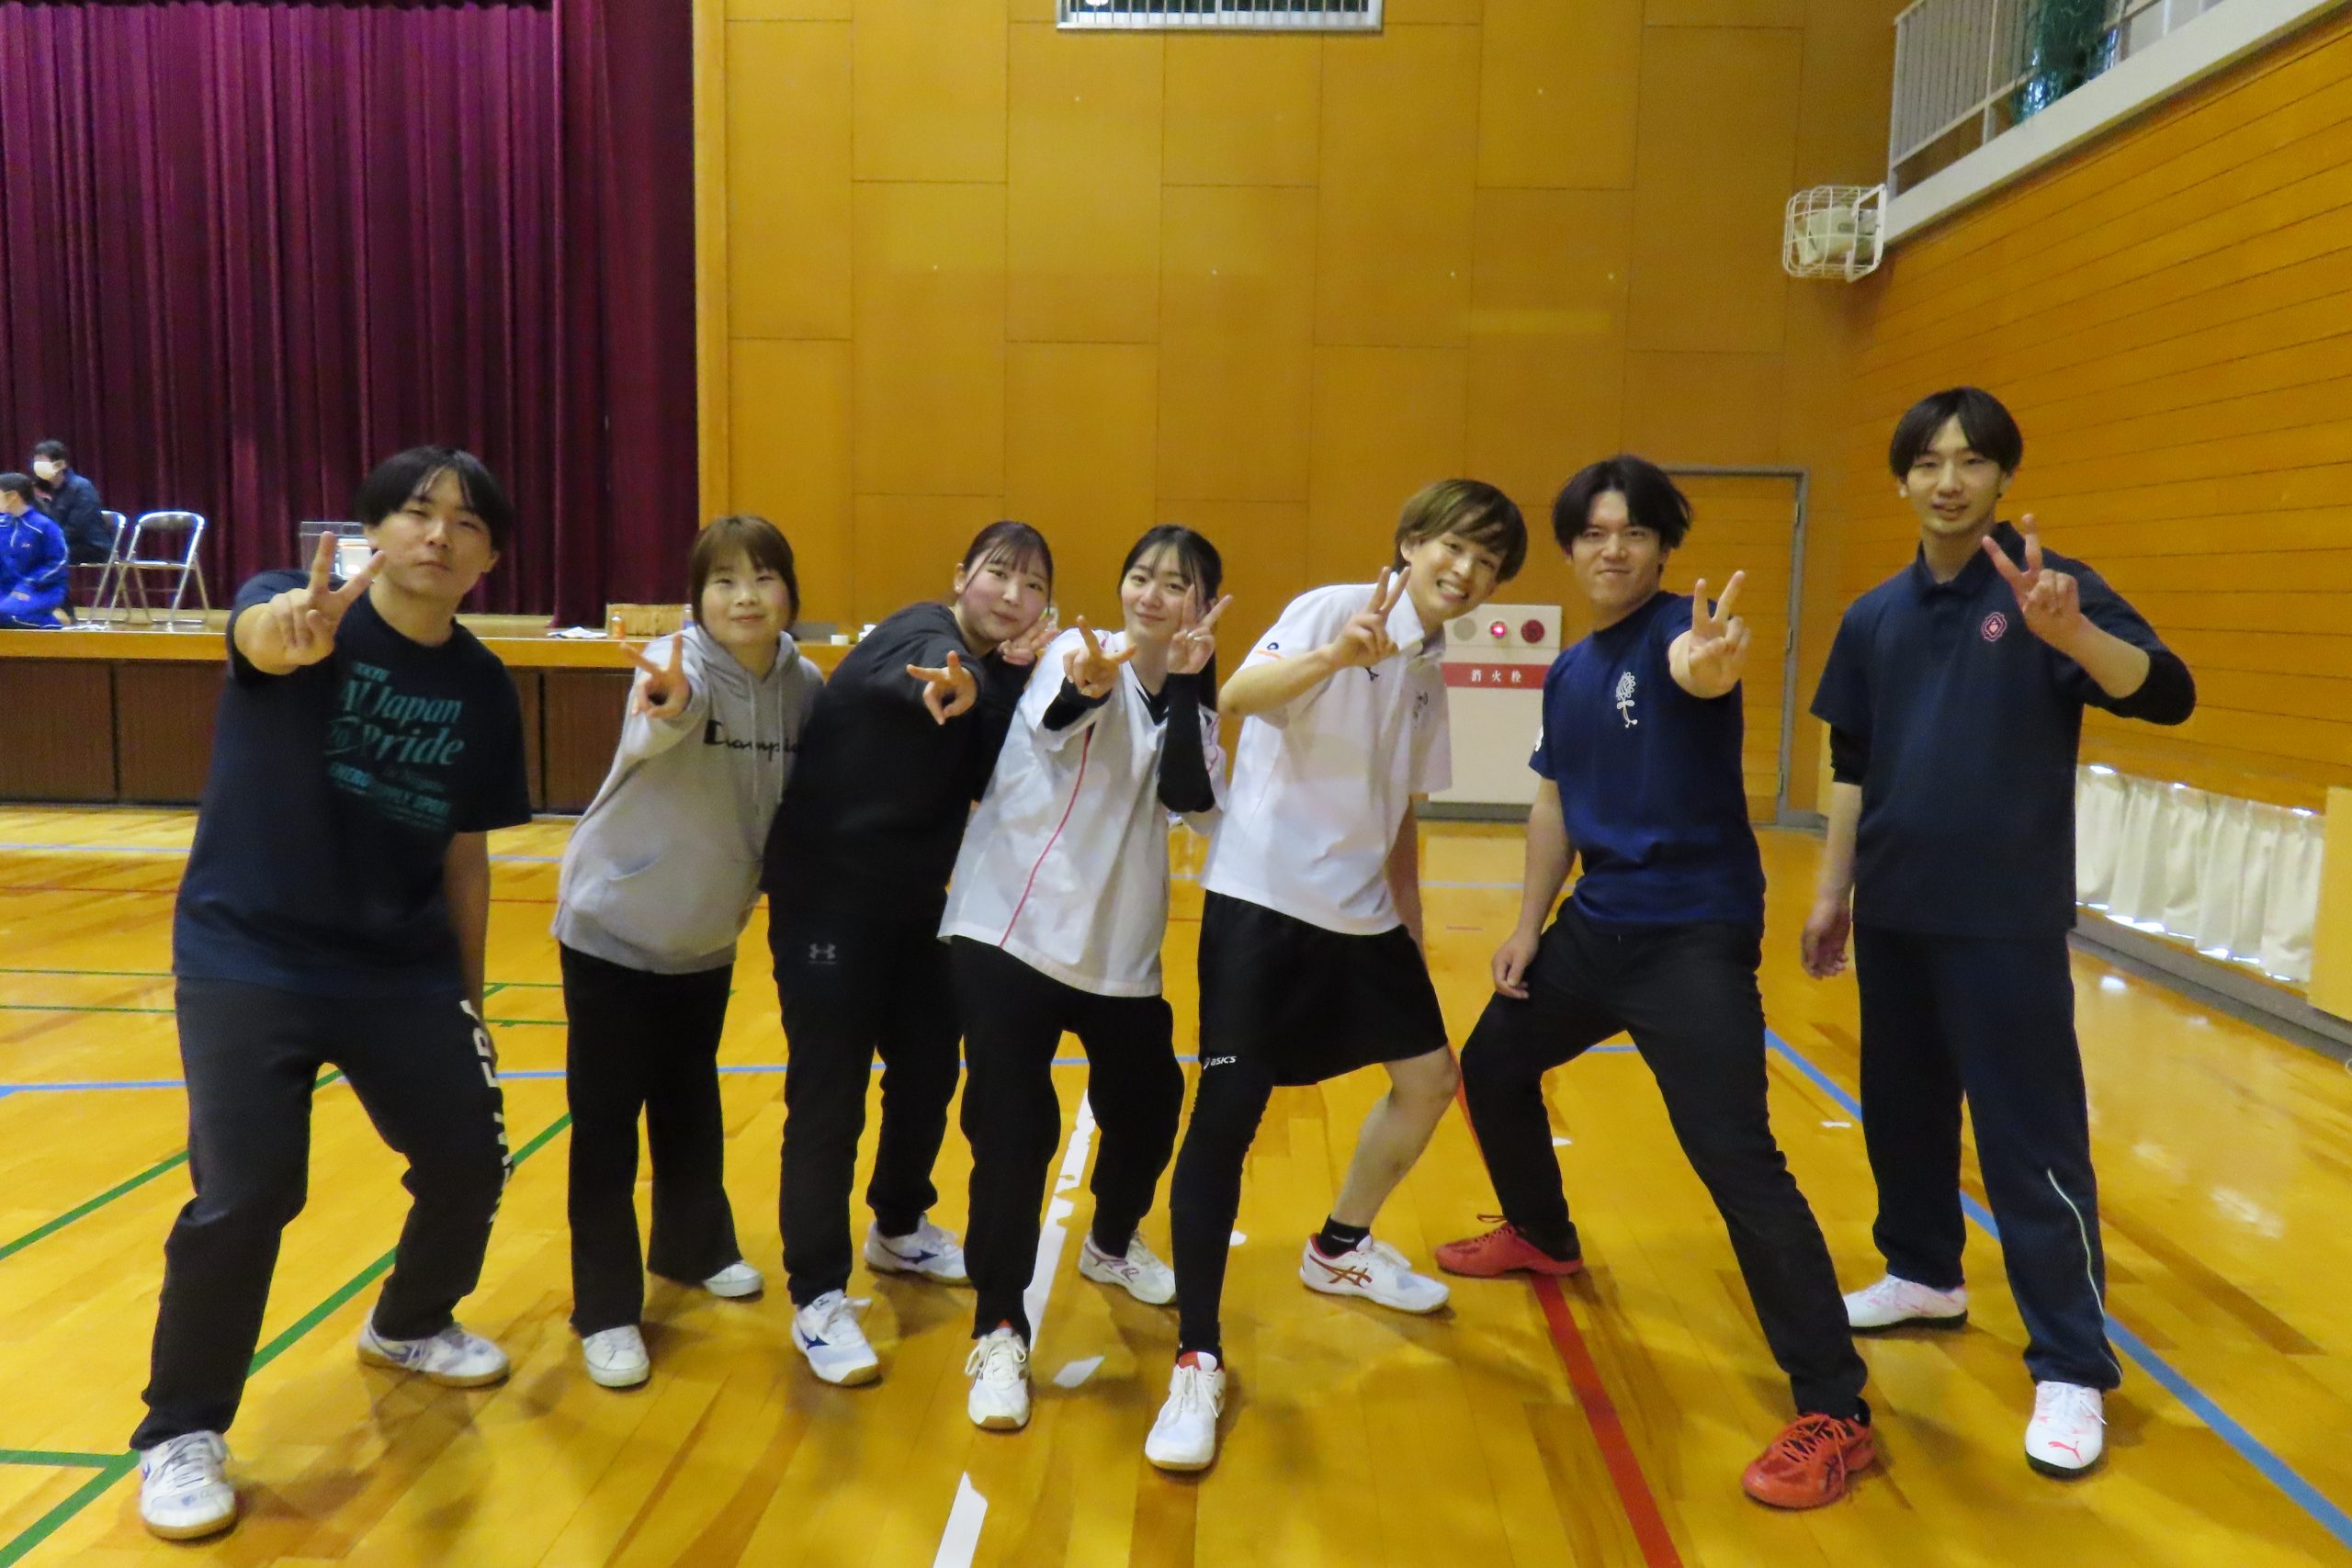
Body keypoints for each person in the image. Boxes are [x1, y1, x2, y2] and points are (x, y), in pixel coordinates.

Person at [1434, 457, 1877, 1509]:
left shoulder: (1687, 631)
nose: (1612, 549)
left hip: (1691, 940)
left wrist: (1710, 664)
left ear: (1663, 546)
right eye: (1592, 532)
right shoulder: (1568, 671)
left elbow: (1698, 671)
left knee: (1736, 1161)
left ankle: (1836, 1411)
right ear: (1570, 546)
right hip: (1596, 928)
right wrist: (1527, 928)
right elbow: (1552, 804)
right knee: (1491, 1062)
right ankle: (1542, 1233)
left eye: (1632, 531)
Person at [131, 448, 532, 1541]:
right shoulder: (291, 606)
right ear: (374, 530)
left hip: (399, 964)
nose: (438, 535)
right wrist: (286, 633)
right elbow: (261, 639)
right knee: (248, 1192)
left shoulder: (484, 686)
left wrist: (468, 996)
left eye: (466, 524)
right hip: (248, 952)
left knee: (470, 1156)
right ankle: (180, 1430)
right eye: (416, 513)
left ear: (489, 561)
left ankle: (410, 1321)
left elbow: (465, 854)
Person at [1804, 386, 2196, 1479]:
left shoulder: (2047, 589)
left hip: (2003, 920)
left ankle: (2070, 1365)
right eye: (1928, 461)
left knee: (2030, 1142)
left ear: (2003, 477)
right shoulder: (1872, 616)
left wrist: (2073, 634)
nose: (1948, 480)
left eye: (1970, 461)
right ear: (1901, 478)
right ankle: (1924, 1273)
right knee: (1903, 1115)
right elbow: (1851, 763)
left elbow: (2166, 693)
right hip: (1894, 909)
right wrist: (1832, 892)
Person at [1145, 479, 1528, 1473]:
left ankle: (1340, 1246)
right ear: (1409, 543)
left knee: (1430, 1080)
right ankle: (1196, 1356)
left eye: (1487, 563)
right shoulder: (1332, 609)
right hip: (1262, 903)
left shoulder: (1429, 672)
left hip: (1362, 920)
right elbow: (1237, 697)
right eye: (1453, 547)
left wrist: (1411, 928)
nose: (1467, 571)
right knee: (1226, 1120)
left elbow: (1400, 812)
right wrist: (1335, 656)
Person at [943, 525, 1231, 1432]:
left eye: (1176, 584)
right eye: (1141, 575)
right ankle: (998, 1328)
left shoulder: (1196, 699)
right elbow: (1060, 716)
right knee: (1015, 1130)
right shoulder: (1073, 651)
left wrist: (1185, 683)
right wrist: (1090, 683)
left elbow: (1189, 795)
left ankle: (1109, 1239)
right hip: (1010, 928)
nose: (1152, 595)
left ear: (1205, 605)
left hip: (1117, 950)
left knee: (1149, 1105)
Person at [763, 521, 1058, 1387]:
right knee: (829, 1093)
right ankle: (817, 1296)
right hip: (828, 898)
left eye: (1033, 585)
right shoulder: (919, 632)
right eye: (999, 573)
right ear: (961, 576)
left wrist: (998, 683)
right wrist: (957, 683)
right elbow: (922, 673)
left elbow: (989, 769)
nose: (1013, 594)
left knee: (929, 1064)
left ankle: (897, 1225)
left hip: (915, 906)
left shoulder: (997, 675)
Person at [552, 515, 824, 1390]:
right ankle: (604, 1309)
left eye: (763, 577)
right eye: (723, 581)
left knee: (688, 1099)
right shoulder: (679, 667)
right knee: (606, 1124)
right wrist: (667, 703)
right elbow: (662, 714)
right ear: (697, 598)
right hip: (614, 925)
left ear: (789, 591)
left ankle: (693, 1245)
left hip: (706, 932)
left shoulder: (803, 684)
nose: (745, 597)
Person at [0, 472, 69, 627]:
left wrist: (28, 584)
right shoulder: (2, 525)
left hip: (40, 589)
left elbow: (58, 563)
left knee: (5, 613)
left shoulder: (44, 526)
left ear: (12, 496)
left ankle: (52, 623)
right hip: (6, 588)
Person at [30, 440, 110, 566]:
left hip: (89, 546)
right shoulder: (41, 490)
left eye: (42, 462)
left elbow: (77, 528)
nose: (38, 466)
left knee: (34, 555)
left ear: (61, 464)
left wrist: (46, 543)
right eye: (36, 462)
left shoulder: (82, 487)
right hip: (60, 542)